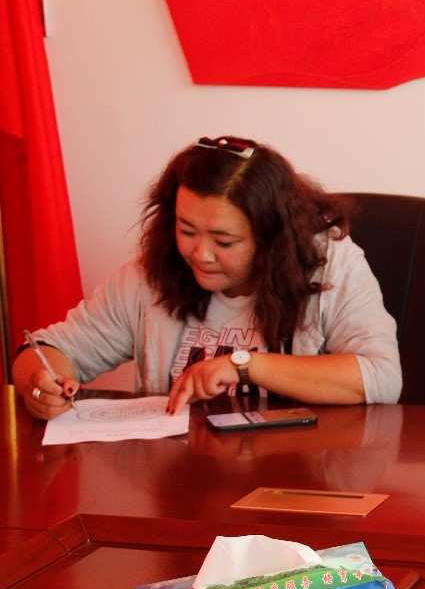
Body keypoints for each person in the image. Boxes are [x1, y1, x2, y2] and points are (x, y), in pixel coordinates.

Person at [14, 136, 401, 418]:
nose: (200, 253)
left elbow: (382, 377)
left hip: (297, 479)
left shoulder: (330, 264)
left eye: (224, 241)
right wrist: (41, 384)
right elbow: (45, 352)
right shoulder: (151, 273)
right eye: (186, 230)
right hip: (179, 479)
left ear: (271, 239)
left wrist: (244, 365)